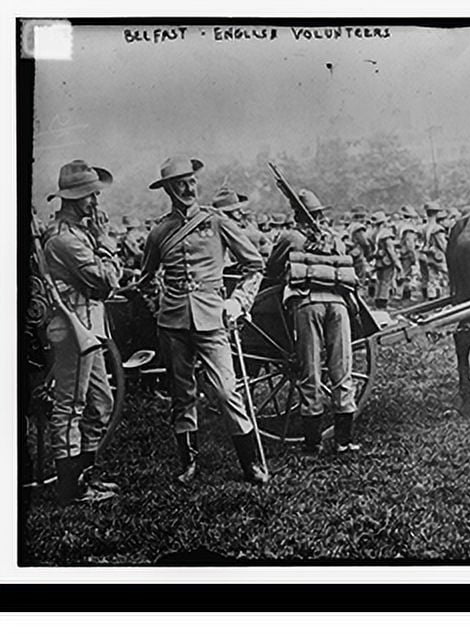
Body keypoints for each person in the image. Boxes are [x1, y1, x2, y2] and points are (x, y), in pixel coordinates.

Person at [140, 156, 269, 485]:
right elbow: (146, 279)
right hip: (172, 323)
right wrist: (158, 306)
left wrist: (237, 301)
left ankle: (250, 462)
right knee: (182, 395)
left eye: (191, 181)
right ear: (168, 189)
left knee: (226, 391)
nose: (187, 188)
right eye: (179, 183)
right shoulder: (159, 232)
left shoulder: (217, 222)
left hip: (213, 319)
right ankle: (188, 463)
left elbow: (254, 266)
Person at [42, 160, 123, 504]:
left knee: (100, 403)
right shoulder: (65, 239)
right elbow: (107, 280)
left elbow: (107, 282)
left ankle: (86, 476)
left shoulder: (79, 234)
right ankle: (69, 487)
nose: (96, 202)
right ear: (73, 199)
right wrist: (105, 242)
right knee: (70, 406)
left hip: (90, 327)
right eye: (90, 196)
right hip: (72, 328)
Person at [270, 189, 361, 454]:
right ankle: (344, 441)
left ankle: (313, 443)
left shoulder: (289, 237)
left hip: (307, 304)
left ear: (296, 214)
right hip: (339, 305)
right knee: (342, 369)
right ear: (320, 214)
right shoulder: (334, 238)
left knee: (310, 371)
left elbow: (272, 270)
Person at [370, 210, 403, 309]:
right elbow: (390, 251)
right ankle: (383, 303)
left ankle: (377, 301)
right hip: (386, 261)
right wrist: (397, 264)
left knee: (379, 282)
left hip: (378, 261)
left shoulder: (374, 234)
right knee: (386, 282)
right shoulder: (386, 234)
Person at [420, 201, 449, 300]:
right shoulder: (437, 229)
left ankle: (432, 297)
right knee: (445, 276)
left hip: (428, 256)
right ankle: (445, 297)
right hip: (438, 257)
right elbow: (443, 245)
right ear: (436, 213)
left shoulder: (423, 228)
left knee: (432, 278)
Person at [397, 205, 421, 301]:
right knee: (407, 275)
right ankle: (405, 295)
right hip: (407, 253)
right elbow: (410, 243)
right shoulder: (409, 229)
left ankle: (402, 294)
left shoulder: (400, 226)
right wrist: (414, 255)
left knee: (403, 273)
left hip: (401, 252)